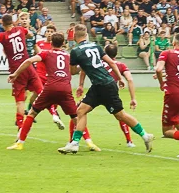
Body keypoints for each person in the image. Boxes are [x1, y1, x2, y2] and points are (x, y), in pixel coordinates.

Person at [59, 25, 154, 154]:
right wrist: (120, 78)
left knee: (120, 115)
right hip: (102, 85)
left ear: (75, 36)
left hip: (104, 86)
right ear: (86, 34)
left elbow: (73, 71)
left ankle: (145, 135)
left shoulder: (75, 51)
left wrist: (81, 66)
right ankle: (75, 143)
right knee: (81, 111)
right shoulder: (96, 46)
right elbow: (112, 63)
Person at [6, 33, 79, 150]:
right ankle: (74, 143)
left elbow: (29, 61)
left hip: (50, 88)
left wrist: (15, 74)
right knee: (76, 118)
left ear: (51, 43)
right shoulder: (68, 56)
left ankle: (20, 143)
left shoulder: (46, 53)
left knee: (32, 113)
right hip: (66, 88)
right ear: (63, 43)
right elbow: (75, 70)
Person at [0, 14, 43, 128]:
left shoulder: (2, 36)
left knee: (20, 99)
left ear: (2, 24)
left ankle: (20, 125)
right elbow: (30, 35)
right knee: (39, 91)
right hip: (28, 65)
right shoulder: (20, 29)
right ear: (13, 22)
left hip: (16, 69)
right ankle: (52, 112)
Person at [102, 43, 138, 148]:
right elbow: (130, 79)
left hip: (97, 92)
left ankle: (74, 140)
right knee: (121, 116)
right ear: (116, 54)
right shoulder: (121, 65)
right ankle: (130, 141)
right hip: (111, 94)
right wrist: (133, 98)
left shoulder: (98, 63)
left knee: (79, 112)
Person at [32, 25, 66, 130]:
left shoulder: (56, 47)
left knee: (42, 97)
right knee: (40, 95)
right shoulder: (40, 44)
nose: (49, 33)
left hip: (51, 76)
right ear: (45, 33)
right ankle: (54, 114)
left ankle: (51, 112)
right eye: (48, 31)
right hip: (39, 75)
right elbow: (35, 55)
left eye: (51, 31)